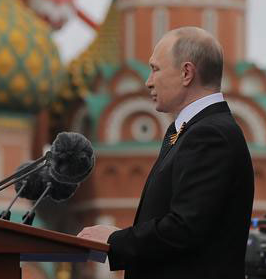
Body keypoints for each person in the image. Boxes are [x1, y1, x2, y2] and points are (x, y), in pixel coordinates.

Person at [77, 26, 254, 279]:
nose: (148, 81)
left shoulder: (209, 135)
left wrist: (116, 240)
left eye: (155, 69)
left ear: (186, 73)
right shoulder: (187, 130)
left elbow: (184, 229)